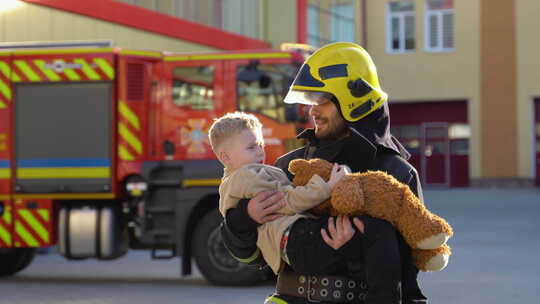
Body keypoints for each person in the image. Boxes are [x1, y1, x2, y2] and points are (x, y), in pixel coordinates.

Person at [221, 42, 427, 304]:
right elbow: (252, 259)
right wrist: (242, 220)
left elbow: (406, 278)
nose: (312, 110)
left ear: (354, 99)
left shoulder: (395, 173)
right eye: (310, 102)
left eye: (322, 100)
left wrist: (354, 251)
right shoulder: (292, 165)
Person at [208, 112, 348, 274]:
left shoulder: (233, 181)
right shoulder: (246, 176)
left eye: (261, 144)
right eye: (251, 147)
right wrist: (327, 186)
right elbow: (286, 201)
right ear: (226, 157)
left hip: (288, 242)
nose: (260, 151)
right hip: (295, 237)